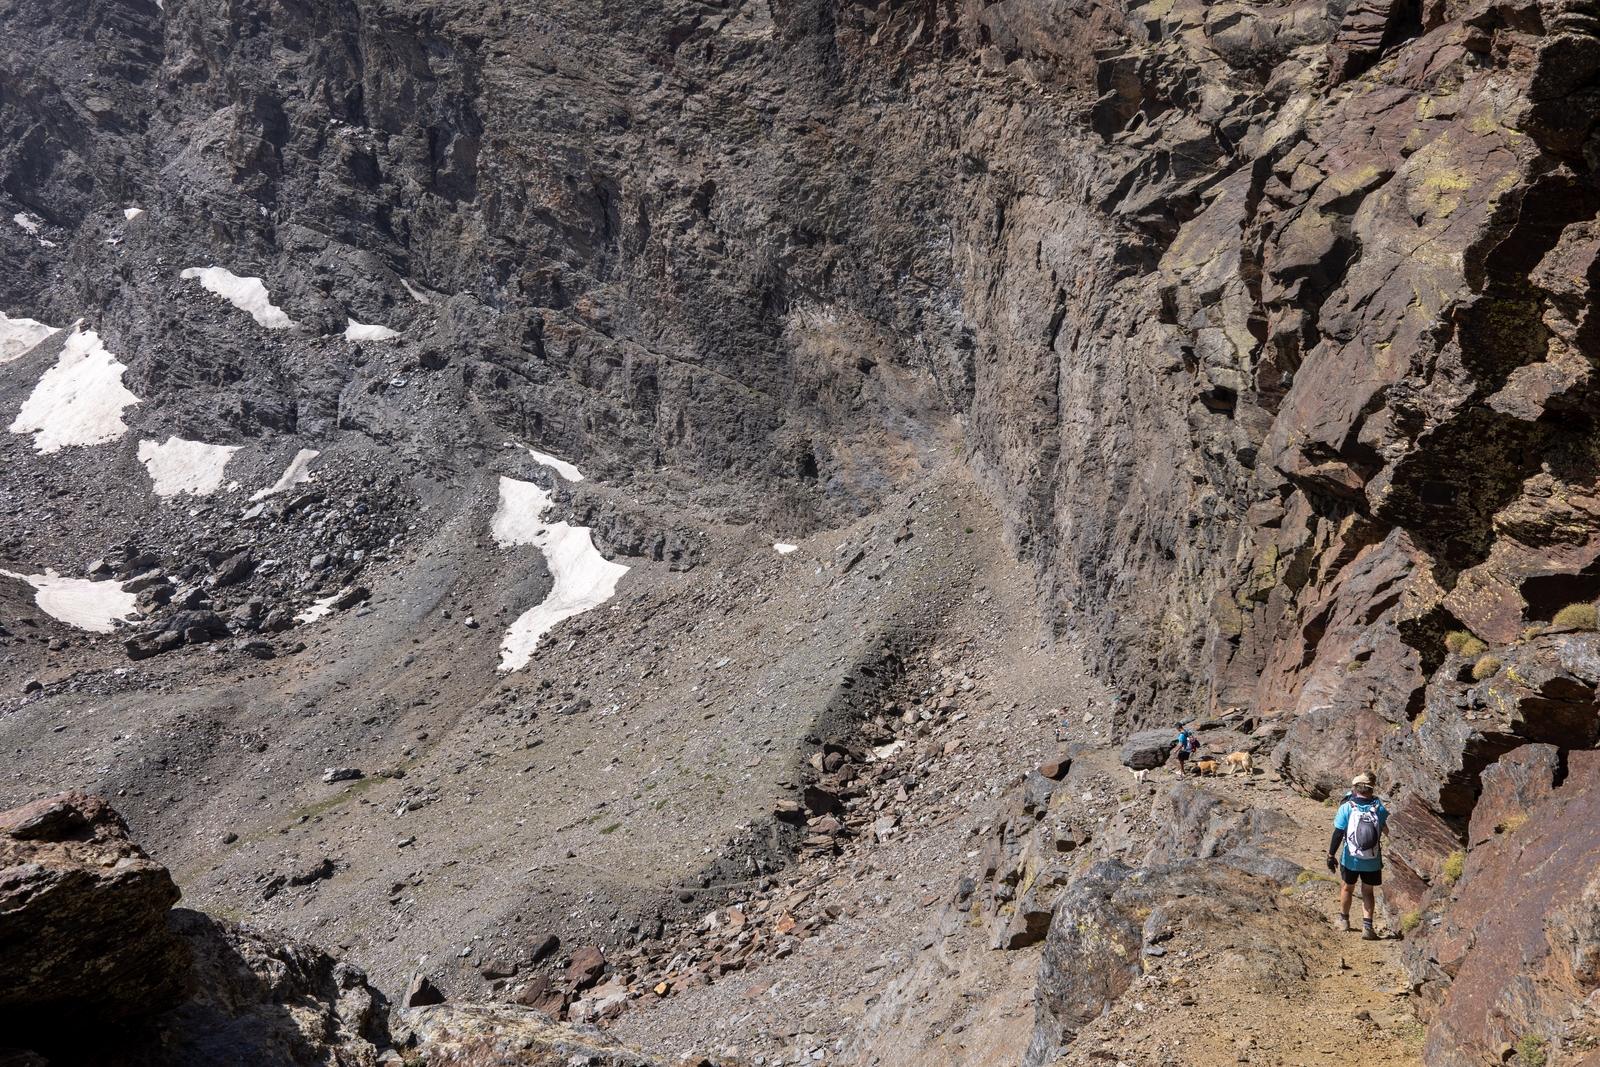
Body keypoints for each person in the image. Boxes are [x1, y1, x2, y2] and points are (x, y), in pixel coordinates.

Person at [1327, 773, 1389, 939]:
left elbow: (1338, 834)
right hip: (1373, 859)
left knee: (1347, 887)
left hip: (1351, 858)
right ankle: (1367, 927)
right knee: (1368, 892)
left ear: (1355, 789)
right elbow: (1386, 829)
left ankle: (1344, 921)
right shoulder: (1379, 808)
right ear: (1370, 789)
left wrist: (1331, 854)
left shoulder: (1347, 807)